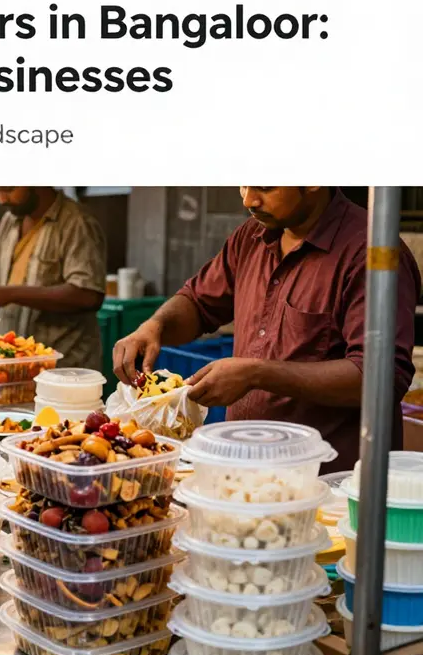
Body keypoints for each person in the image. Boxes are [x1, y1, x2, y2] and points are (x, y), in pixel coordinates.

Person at [113, 187, 421, 471]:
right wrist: (155, 327)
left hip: (329, 482)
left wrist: (257, 374)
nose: (248, 200)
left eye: (265, 186)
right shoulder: (251, 237)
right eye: (244, 184)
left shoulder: (370, 254)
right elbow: (199, 302)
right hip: (244, 470)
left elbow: (380, 378)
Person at [0, 187, 107, 369]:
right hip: (15, 365)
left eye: (8, 190)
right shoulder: (11, 219)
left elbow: (87, 296)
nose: (1, 199)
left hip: (64, 369)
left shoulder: (77, 223)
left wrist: (10, 294)